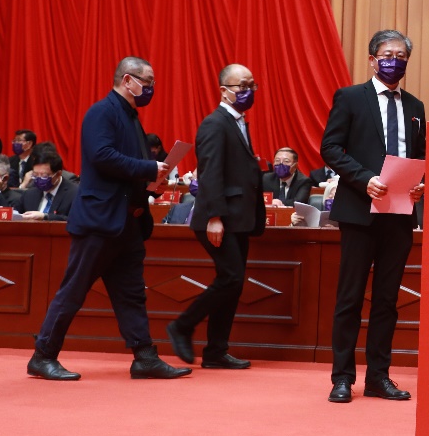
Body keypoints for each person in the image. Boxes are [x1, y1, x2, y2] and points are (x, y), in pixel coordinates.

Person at [28, 56, 190, 381]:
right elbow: (102, 157)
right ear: (127, 80)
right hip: (100, 221)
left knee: (132, 293)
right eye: (148, 82)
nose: (151, 88)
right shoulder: (101, 112)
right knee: (74, 290)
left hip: (127, 222)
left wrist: (153, 182)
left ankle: (144, 357)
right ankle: (42, 356)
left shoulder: (131, 117)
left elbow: (127, 168)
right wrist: (148, 168)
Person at [322, 30, 426, 403]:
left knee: (386, 300)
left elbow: (421, 155)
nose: (393, 61)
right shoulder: (351, 97)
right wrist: (364, 178)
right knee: (350, 298)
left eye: (401, 56)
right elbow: (331, 147)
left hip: (399, 215)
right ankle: (342, 377)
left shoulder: (415, 106)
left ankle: (378, 377)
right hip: (359, 211)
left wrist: (421, 184)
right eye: (387, 54)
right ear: (372, 59)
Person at [167, 64, 265, 371]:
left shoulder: (239, 122)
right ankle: (182, 326)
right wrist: (214, 217)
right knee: (231, 278)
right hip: (219, 217)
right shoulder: (214, 123)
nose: (248, 91)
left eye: (252, 86)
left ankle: (216, 351)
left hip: (239, 217)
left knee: (233, 283)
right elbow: (210, 173)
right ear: (223, 91)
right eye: (241, 86)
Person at [17, 148, 77, 221]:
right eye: (35, 175)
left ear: (58, 174)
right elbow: (16, 217)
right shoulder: (29, 194)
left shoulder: (74, 194)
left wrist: (45, 216)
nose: (39, 179)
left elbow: (75, 220)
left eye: (44, 176)